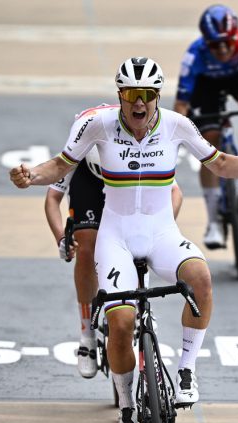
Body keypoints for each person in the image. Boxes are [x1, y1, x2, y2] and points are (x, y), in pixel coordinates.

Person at [11, 56, 238, 423]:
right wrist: (29, 177)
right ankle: (126, 406)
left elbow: (221, 164)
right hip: (117, 238)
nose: (139, 103)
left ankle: (187, 370)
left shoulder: (177, 125)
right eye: (131, 95)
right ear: (120, 96)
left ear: (157, 97)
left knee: (202, 278)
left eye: (147, 95)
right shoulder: (97, 126)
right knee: (122, 324)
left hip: (161, 234)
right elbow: (59, 165)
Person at [45, 104, 184, 380]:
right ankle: (87, 334)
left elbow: (175, 193)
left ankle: (143, 305)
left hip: (127, 182)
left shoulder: (133, 143)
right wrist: (61, 237)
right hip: (90, 192)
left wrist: (162, 228)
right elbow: (52, 200)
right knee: (87, 245)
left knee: (141, 241)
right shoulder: (80, 148)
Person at [174, 4, 238, 249]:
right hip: (205, 86)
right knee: (209, 141)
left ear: (236, 37)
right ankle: (213, 223)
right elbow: (181, 105)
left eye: (227, 42)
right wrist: (183, 135)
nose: (222, 49)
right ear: (205, 42)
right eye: (214, 44)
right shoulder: (194, 55)